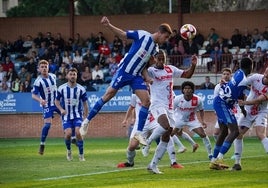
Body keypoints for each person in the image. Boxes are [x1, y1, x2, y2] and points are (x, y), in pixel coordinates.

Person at [80, 16, 173, 146]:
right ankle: (86, 121)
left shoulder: (155, 49)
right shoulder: (142, 35)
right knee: (108, 95)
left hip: (135, 76)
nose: (166, 40)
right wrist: (108, 25)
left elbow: (144, 66)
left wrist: (147, 77)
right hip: (124, 72)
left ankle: (138, 133)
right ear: (160, 33)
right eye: (166, 37)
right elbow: (123, 34)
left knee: (146, 101)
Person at [143, 49, 197, 174]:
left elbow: (187, 75)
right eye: (159, 58)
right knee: (165, 126)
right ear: (155, 59)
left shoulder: (170, 69)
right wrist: (147, 60)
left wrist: (193, 65)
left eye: (163, 59)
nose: (161, 61)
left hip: (169, 106)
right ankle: (147, 142)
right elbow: (142, 70)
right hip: (157, 104)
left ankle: (153, 165)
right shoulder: (151, 71)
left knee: (167, 135)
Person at [117, 92, 183, 170]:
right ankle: (130, 162)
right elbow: (132, 107)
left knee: (166, 134)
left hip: (154, 121)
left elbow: (171, 101)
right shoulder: (136, 94)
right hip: (140, 124)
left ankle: (173, 162)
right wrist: (125, 120)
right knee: (132, 146)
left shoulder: (157, 90)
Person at [210, 57, 253, 170]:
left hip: (221, 102)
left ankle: (213, 161)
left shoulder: (238, 72)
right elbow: (242, 94)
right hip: (223, 104)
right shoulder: (244, 80)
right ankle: (219, 158)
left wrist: (243, 110)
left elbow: (238, 93)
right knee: (235, 131)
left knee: (224, 132)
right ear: (250, 67)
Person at [232, 67, 268, 171]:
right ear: (265, 72)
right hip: (248, 111)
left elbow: (258, 100)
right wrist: (227, 84)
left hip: (261, 112)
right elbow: (242, 83)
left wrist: (244, 102)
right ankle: (237, 163)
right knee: (238, 134)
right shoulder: (256, 77)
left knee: (260, 134)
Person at [55, 68, 89, 161]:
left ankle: (81, 155)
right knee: (68, 133)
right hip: (66, 115)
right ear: (67, 76)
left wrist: (86, 117)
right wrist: (61, 109)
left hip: (78, 115)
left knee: (78, 132)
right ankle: (69, 151)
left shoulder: (81, 89)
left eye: (74, 74)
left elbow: (85, 104)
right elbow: (56, 101)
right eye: (71, 74)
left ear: (77, 76)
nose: (73, 76)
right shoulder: (61, 88)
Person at [172, 81, 213, 160]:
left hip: (192, 120)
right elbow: (171, 110)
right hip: (179, 119)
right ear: (183, 90)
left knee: (203, 134)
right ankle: (171, 156)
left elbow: (201, 110)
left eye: (189, 88)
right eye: (185, 88)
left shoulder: (198, 99)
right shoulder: (177, 99)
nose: (187, 90)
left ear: (192, 90)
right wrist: (172, 120)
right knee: (170, 134)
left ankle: (210, 154)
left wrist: (203, 121)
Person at [31, 59, 60, 155]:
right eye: (42, 67)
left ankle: (73, 137)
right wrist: (40, 100)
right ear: (39, 69)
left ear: (48, 68)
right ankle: (42, 144)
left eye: (45, 67)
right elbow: (33, 95)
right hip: (47, 104)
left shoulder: (53, 76)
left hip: (57, 103)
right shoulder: (38, 82)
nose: (44, 68)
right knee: (47, 124)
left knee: (68, 116)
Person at [213, 68, 233, 141]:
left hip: (232, 110)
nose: (226, 76)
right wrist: (216, 110)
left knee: (234, 132)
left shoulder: (232, 85)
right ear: (222, 75)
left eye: (228, 74)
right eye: (224, 74)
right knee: (216, 133)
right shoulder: (218, 86)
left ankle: (234, 150)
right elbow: (215, 98)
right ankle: (221, 147)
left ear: (231, 75)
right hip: (222, 110)